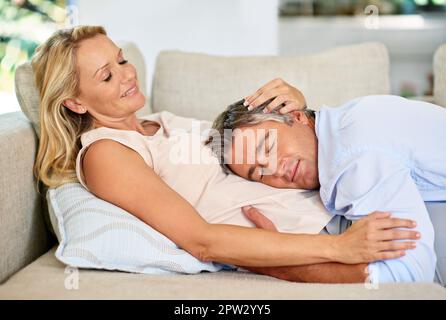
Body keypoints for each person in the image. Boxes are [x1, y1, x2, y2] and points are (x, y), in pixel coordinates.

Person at [32, 25, 419, 284]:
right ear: (76, 103)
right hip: (330, 241)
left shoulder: (161, 123)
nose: (127, 74)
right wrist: (337, 249)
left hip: (342, 200)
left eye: (121, 60)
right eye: (106, 75)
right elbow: (200, 239)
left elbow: (251, 144)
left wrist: (300, 109)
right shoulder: (106, 154)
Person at [209, 78, 446, 283]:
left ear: (297, 116)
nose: (275, 169)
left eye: (268, 146)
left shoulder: (349, 158)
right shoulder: (342, 123)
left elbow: (408, 277)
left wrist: (276, 264)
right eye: (259, 173)